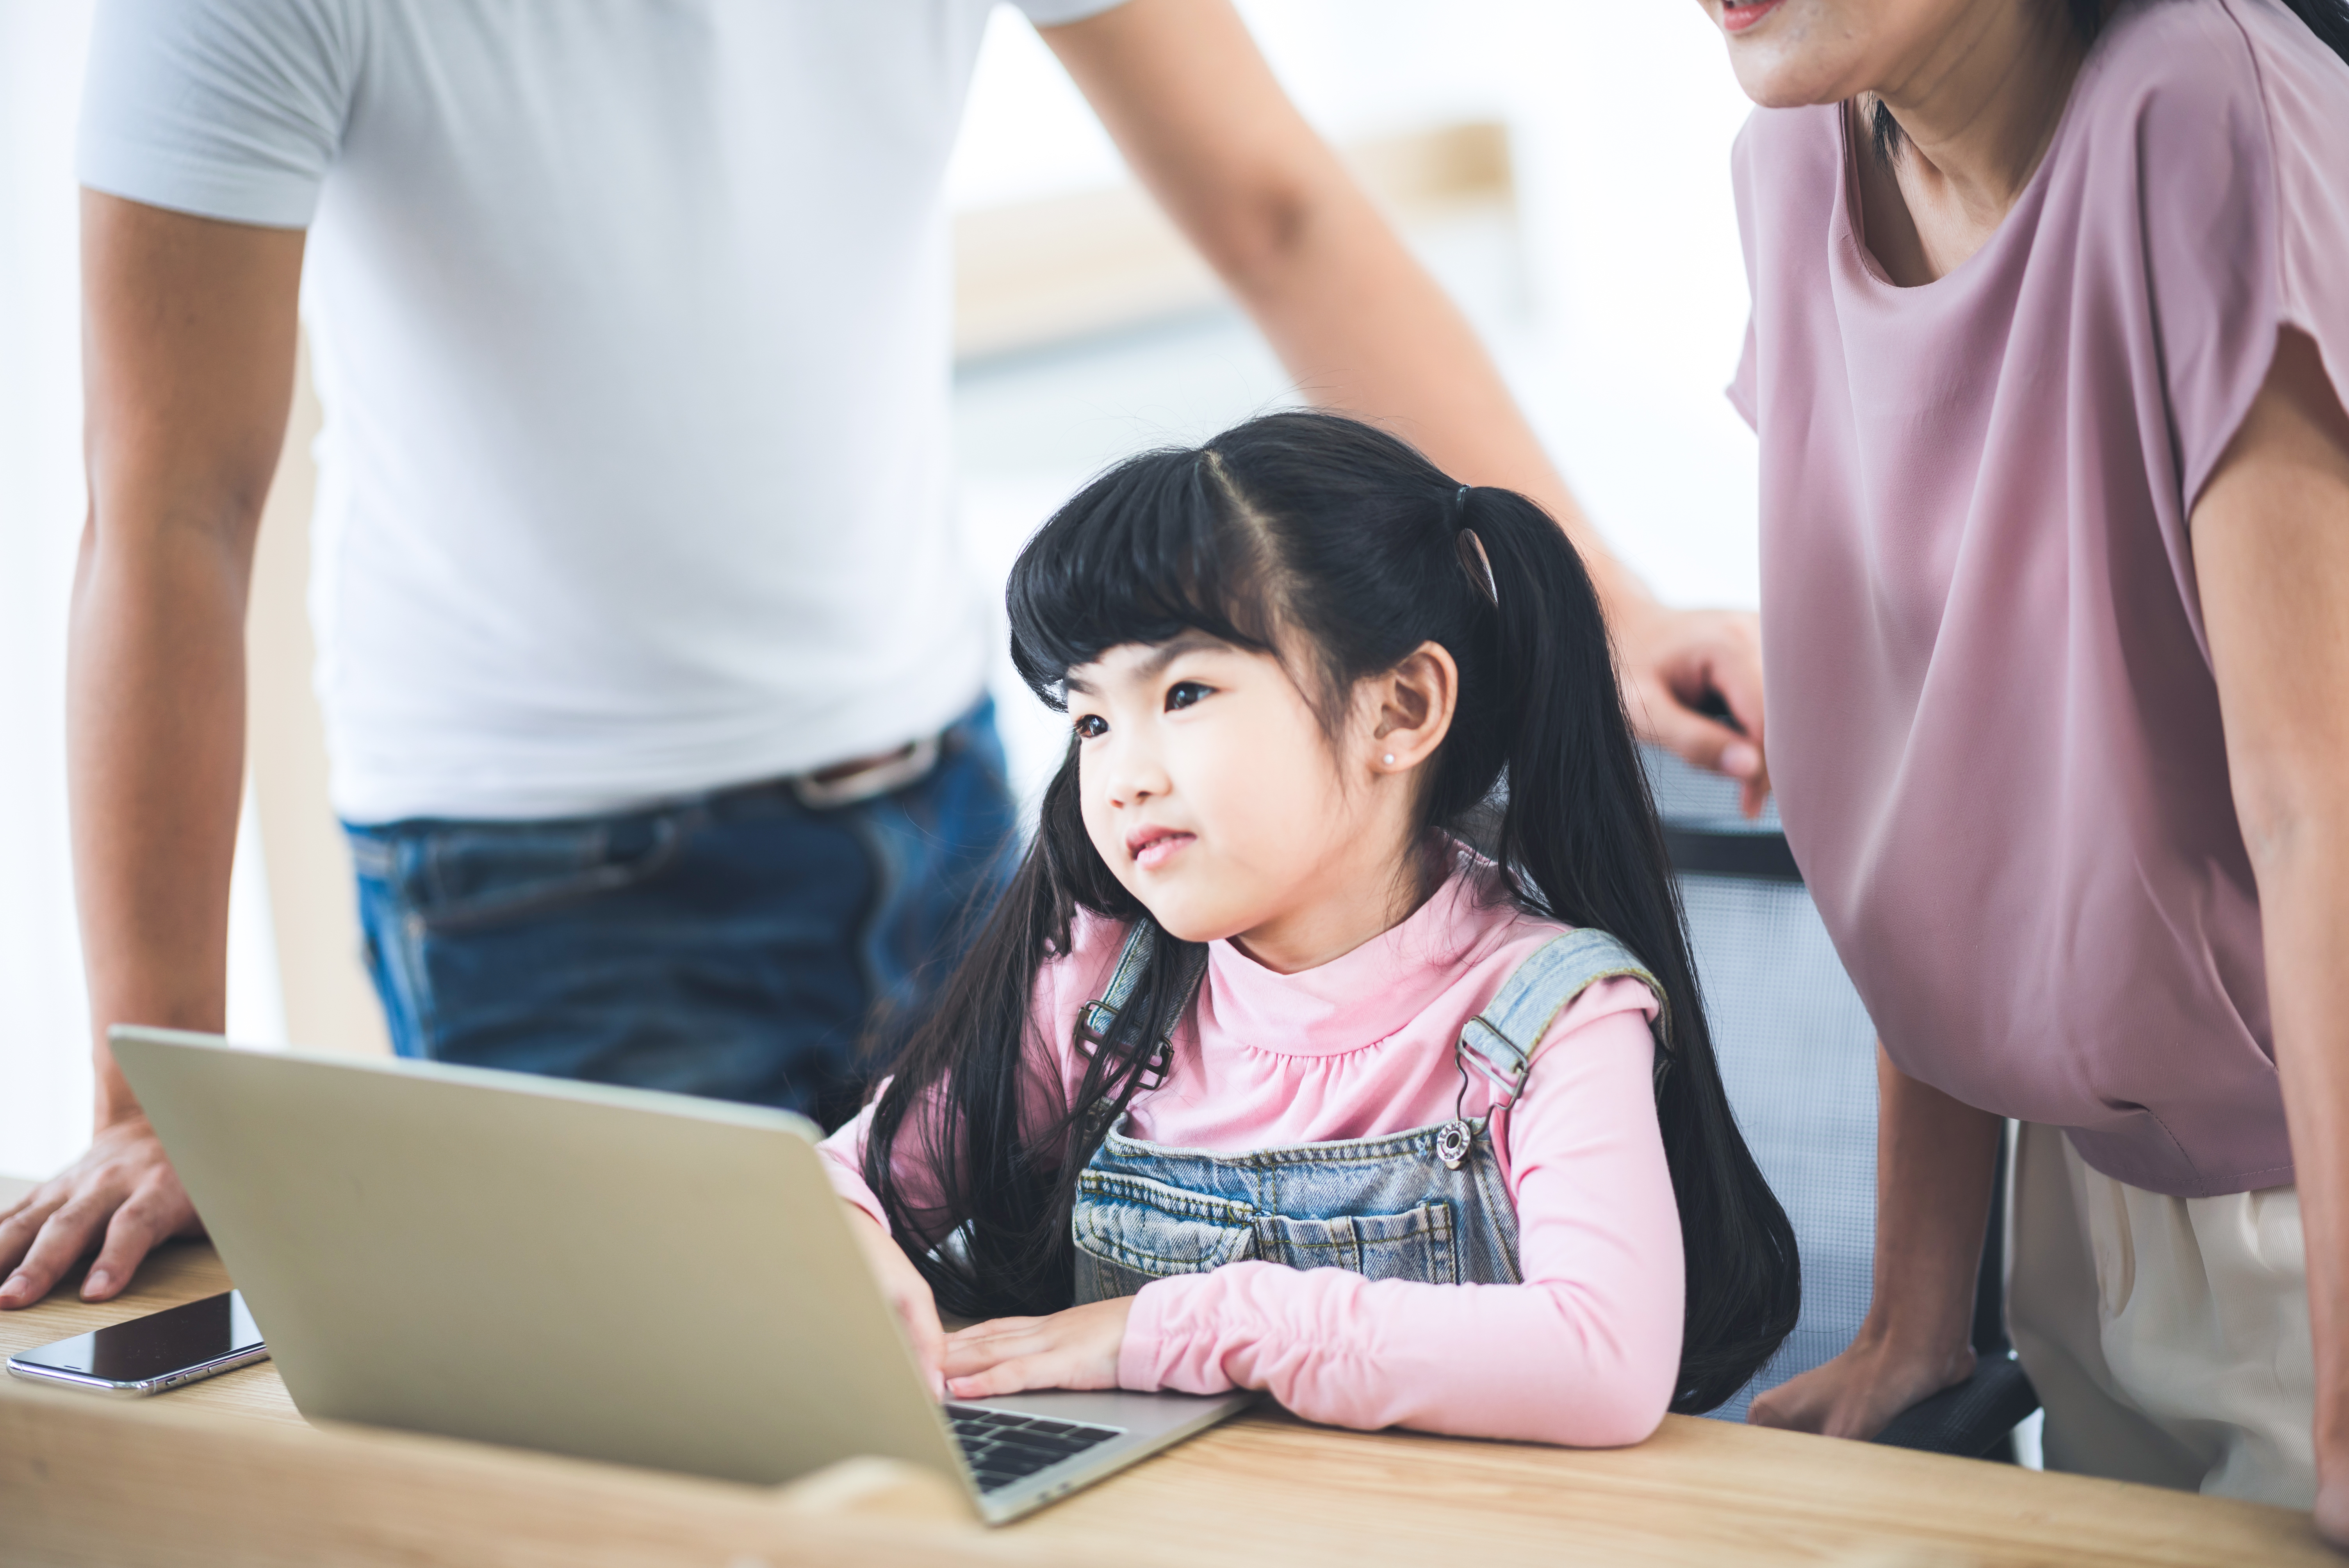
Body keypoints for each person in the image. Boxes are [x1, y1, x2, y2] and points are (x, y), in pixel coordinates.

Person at [0, 0, 1773, 1315]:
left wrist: (1600, 606)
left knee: (1029, 1432)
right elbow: (170, 508)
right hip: (537, 893)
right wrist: (147, 1085)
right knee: (676, 1471)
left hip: (950, 819)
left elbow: (1276, 208)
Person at [819, 411, 1800, 1441]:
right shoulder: (1101, 989)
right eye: (1093, 721)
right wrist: (842, 1236)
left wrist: (1196, 1325)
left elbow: (1601, 1364)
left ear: (1399, 710)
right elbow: (841, 1185)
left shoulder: (1551, 1017)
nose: (1121, 778)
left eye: (1185, 692)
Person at [1698, 0, 2349, 1537]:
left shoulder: (2201, 110)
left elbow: (2317, 808)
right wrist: (1918, 1314)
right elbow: (1924, 771)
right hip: (2077, 1201)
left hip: (2304, 1211)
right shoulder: (1792, 167)